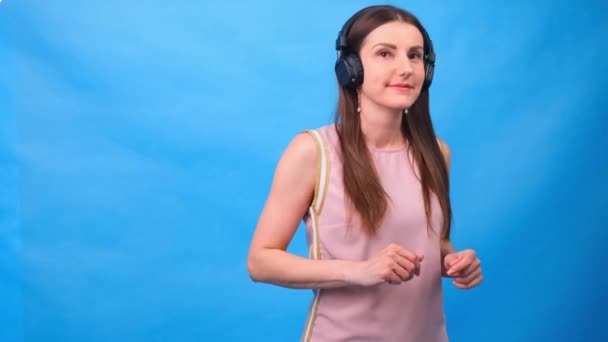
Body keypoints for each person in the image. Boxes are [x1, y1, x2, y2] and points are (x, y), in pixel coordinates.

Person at [247, 5, 483, 341]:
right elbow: (260, 261)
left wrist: (453, 261)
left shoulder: (437, 152)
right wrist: (361, 270)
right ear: (351, 69)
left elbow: (434, 241)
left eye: (415, 56)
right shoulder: (313, 151)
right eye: (385, 53)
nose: (406, 68)